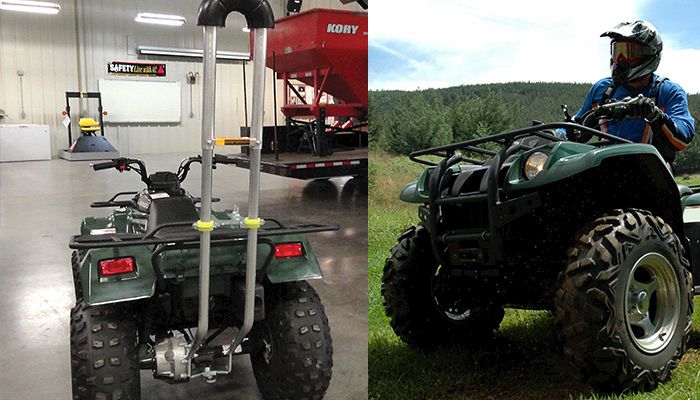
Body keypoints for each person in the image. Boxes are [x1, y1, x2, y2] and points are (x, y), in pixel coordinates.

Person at [570, 20, 695, 163]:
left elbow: (682, 140)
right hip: (605, 169)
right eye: (617, 52)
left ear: (650, 54)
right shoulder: (603, 89)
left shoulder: (668, 92)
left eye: (629, 52)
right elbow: (577, 127)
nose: (620, 60)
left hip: (653, 170)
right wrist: (551, 134)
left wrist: (654, 115)